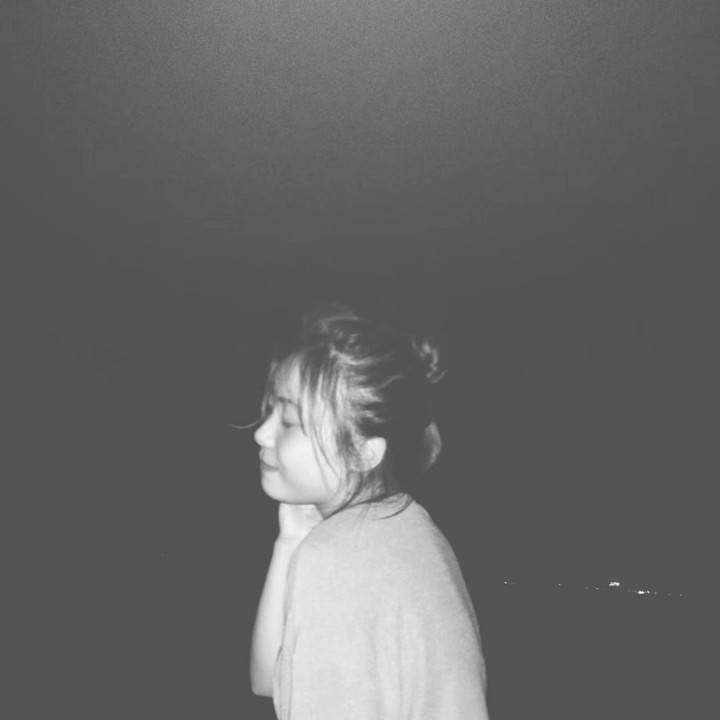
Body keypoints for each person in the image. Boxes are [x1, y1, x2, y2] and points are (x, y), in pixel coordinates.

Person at [248, 301, 489, 719]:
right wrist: (290, 541)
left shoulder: (339, 556)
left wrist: (313, 549)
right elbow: (269, 680)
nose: (262, 434)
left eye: (288, 420)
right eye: (269, 411)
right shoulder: (408, 529)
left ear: (362, 452)